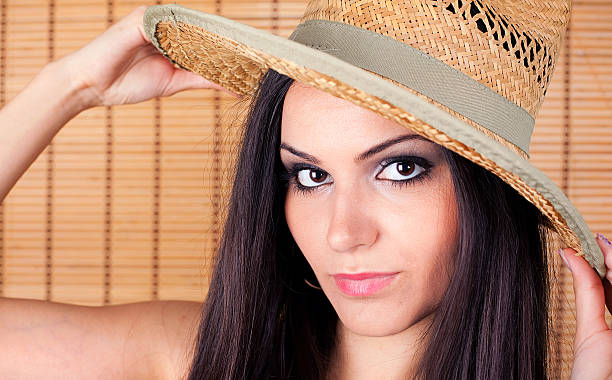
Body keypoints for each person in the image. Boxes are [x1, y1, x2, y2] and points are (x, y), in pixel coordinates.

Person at [0, 4, 610, 380]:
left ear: (490, 195)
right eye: (311, 176)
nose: (342, 232)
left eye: (399, 169)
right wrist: (68, 87)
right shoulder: (200, 357)